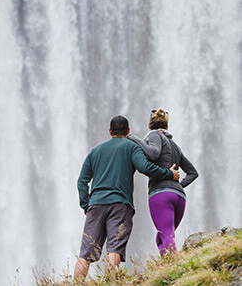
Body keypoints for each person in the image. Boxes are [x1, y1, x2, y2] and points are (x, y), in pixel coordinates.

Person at [73, 115, 180, 281]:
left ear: (110, 131)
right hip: (120, 205)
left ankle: (76, 284)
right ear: (128, 131)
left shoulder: (95, 151)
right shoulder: (131, 147)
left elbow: (82, 181)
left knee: (85, 254)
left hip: (96, 205)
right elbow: (145, 167)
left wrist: (86, 206)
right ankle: (111, 283)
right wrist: (169, 174)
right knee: (114, 249)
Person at [128, 108, 198, 255]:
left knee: (166, 235)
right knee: (163, 237)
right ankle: (165, 267)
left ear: (149, 125)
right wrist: (179, 185)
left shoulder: (153, 135)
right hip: (179, 197)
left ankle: (175, 271)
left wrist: (133, 138)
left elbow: (153, 153)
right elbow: (193, 173)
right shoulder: (175, 146)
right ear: (166, 126)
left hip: (161, 195)